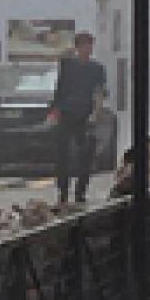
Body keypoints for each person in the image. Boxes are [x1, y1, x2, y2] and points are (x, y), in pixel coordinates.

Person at [47, 31, 107, 204]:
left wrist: (96, 113)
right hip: (66, 113)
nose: (87, 49)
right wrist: (55, 111)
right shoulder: (68, 65)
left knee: (85, 155)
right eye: (84, 45)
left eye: (90, 45)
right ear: (78, 47)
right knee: (62, 155)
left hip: (85, 115)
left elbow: (99, 92)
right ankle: (63, 191)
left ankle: (81, 191)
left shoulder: (96, 68)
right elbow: (59, 88)